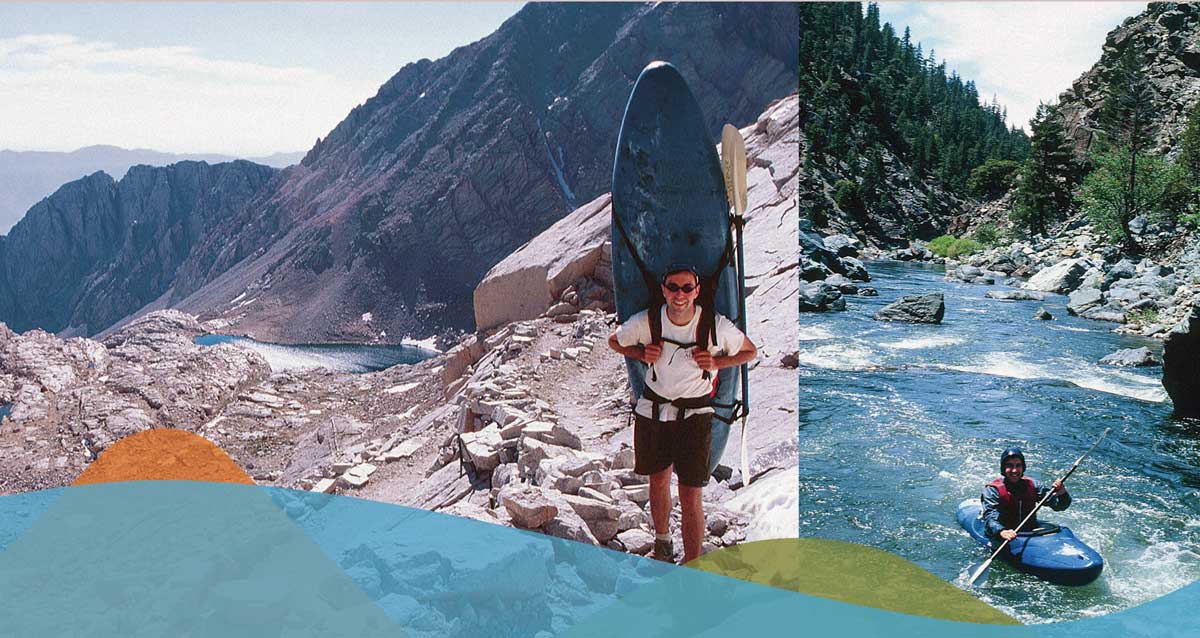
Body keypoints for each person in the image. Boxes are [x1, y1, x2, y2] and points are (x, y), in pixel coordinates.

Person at [607, 265, 757, 564]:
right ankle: (662, 543)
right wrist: (640, 353)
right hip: (655, 410)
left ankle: (692, 563)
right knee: (658, 481)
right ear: (663, 290)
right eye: (673, 288)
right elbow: (615, 340)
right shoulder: (649, 320)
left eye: (687, 288)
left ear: (697, 291)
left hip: (695, 415)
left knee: (691, 495)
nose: (680, 295)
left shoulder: (714, 325)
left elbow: (749, 351)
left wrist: (717, 362)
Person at [981, 447, 1071, 543]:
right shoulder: (992, 490)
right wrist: (1001, 531)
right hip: (1003, 532)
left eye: (1018, 465)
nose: (1014, 470)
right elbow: (990, 516)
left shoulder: (1034, 485)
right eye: (1010, 466)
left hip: (1028, 530)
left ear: (1023, 467)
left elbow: (1059, 506)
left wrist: (1062, 494)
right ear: (1003, 468)